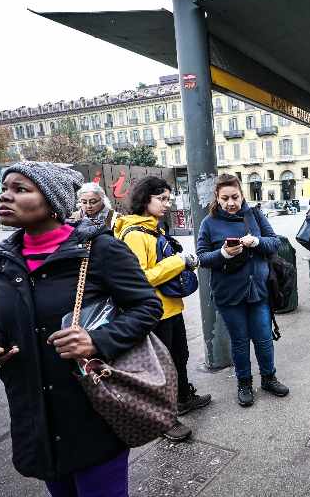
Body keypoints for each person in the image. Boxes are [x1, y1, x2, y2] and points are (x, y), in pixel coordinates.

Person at [0, 161, 163, 497]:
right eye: (5, 188)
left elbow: (147, 306)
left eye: (20, 189)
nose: (4, 196)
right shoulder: (4, 258)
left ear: (53, 202)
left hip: (92, 407)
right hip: (35, 413)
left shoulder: (100, 250)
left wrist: (96, 341)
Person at [114, 176, 212, 442]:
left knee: (179, 357)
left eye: (168, 199)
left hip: (170, 308)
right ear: (145, 199)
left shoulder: (154, 228)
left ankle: (182, 399)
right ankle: (164, 419)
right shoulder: (134, 234)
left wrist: (182, 262)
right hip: (153, 313)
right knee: (161, 369)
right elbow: (141, 277)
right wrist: (179, 262)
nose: (167, 204)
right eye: (162, 199)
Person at [196, 174, 289, 407]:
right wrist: (224, 254)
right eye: (225, 198)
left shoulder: (255, 215)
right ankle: (244, 384)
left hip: (258, 290)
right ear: (217, 198)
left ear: (242, 194)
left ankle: (269, 378)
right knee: (239, 341)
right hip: (228, 294)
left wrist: (255, 242)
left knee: (264, 338)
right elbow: (201, 258)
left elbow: (274, 242)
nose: (230, 203)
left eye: (235, 197)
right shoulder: (209, 222)